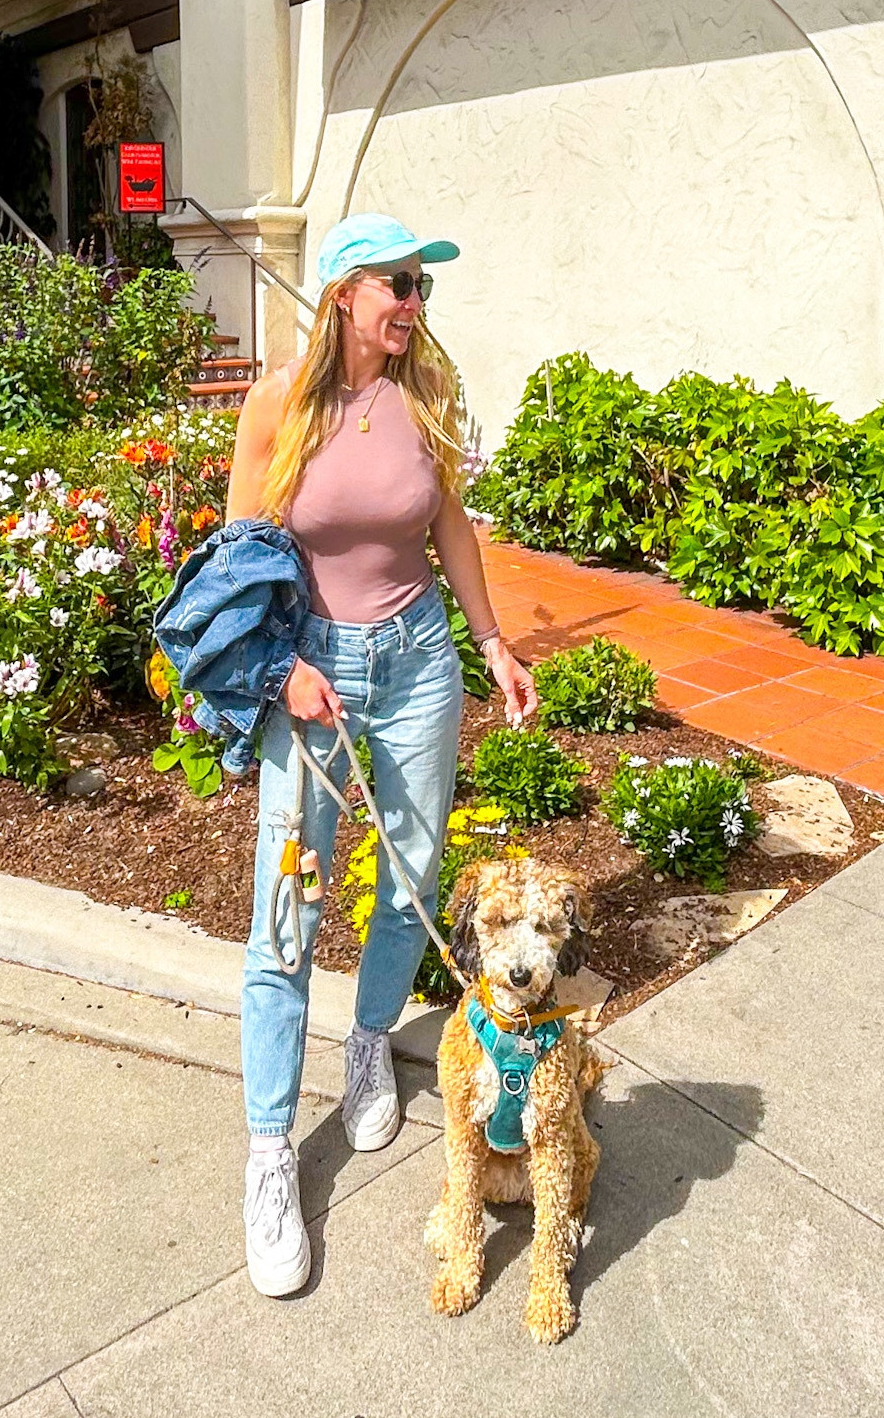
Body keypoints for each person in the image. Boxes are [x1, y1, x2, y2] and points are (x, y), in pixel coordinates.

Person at [225, 212, 538, 1297]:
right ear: (343, 293)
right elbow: (235, 566)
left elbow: (451, 525)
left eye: (422, 287)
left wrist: (491, 638)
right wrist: (278, 670)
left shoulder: (426, 399)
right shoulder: (280, 405)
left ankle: (368, 1041)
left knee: (410, 873)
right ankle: (270, 1150)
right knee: (285, 908)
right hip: (311, 676)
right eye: (397, 285)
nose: (413, 304)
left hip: (415, 665)